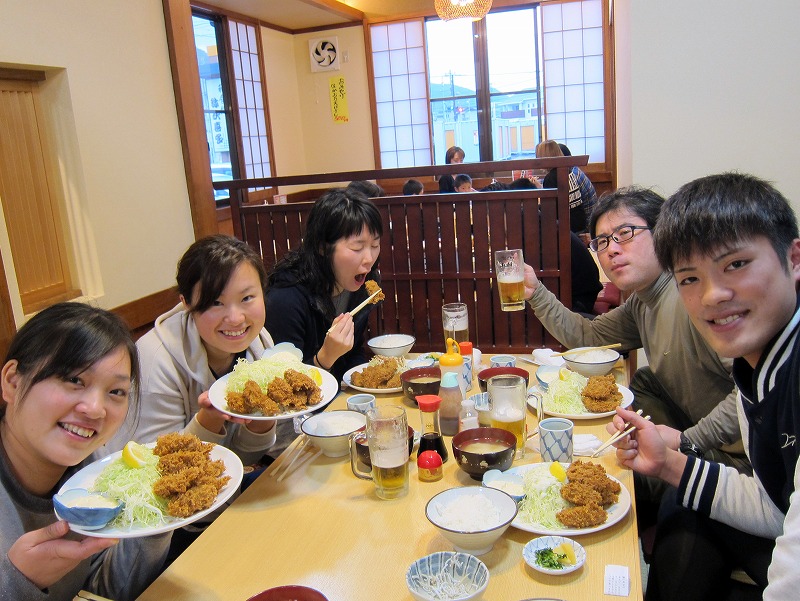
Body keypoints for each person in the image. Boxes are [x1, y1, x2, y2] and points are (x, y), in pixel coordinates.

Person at [609, 172, 800, 600]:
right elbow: (772, 508)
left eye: (735, 264)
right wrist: (666, 464)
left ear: (794, 258)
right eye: (690, 278)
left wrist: (686, 444)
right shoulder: (760, 366)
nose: (712, 295)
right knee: (683, 502)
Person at [523, 185, 748, 522]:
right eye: (601, 242)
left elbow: (750, 391)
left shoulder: (693, 296)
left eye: (625, 233)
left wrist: (688, 441)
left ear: (663, 233)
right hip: (691, 427)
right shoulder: (644, 300)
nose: (611, 249)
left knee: (615, 482)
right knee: (643, 382)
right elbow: (591, 337)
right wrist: (535, 293)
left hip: (739, 460)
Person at [0, 302, 169, 600]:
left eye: (115, 392)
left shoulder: (88, 474)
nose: (94, 409)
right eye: (74, 380)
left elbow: (97, 586)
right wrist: (19, 583)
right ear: (13, 382)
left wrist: (158, 516)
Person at [107, 235, 277, 465]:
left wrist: (263, 419)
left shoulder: (259, 343)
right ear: (186, 303)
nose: (236, 319)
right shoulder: (156, 360)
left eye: (247, 298)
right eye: (216, 303)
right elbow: (153, 467)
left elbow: (244, 459)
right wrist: (208, 419)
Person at [265, 187, 382, 382]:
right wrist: (325, 358)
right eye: (357, 247)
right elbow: (282, 385)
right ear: (322, 246)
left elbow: (354, 353)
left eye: (375, 245)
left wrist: (362, 385)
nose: (369, 258)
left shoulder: (364, 287)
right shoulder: (285, 299)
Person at [535, 139, 597, 243]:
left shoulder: (551, 177)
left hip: (569, 226)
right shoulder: (567, 171)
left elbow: (549, 209)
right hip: (580, 220)